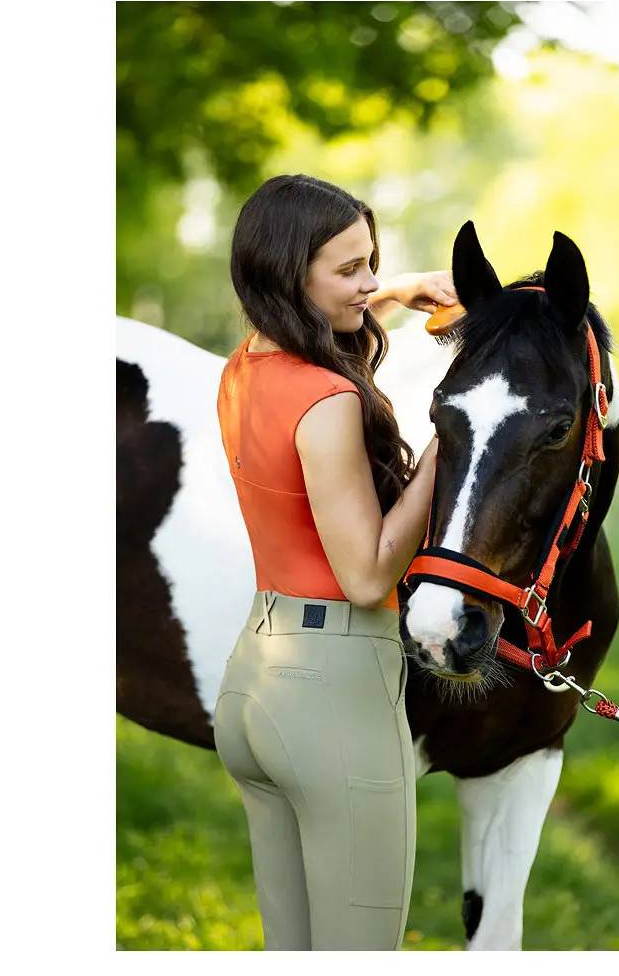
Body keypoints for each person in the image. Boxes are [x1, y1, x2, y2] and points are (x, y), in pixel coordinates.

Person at [212, 174, 454, 951]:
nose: (370, 283)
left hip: (256, 683)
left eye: (372, 262)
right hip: (334, 693)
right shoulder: (327, 400)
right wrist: (449, 446)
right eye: (350, 269)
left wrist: (396, 290)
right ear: (292, 275)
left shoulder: (244, 369)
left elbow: (312, 326)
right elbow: (368, 574)